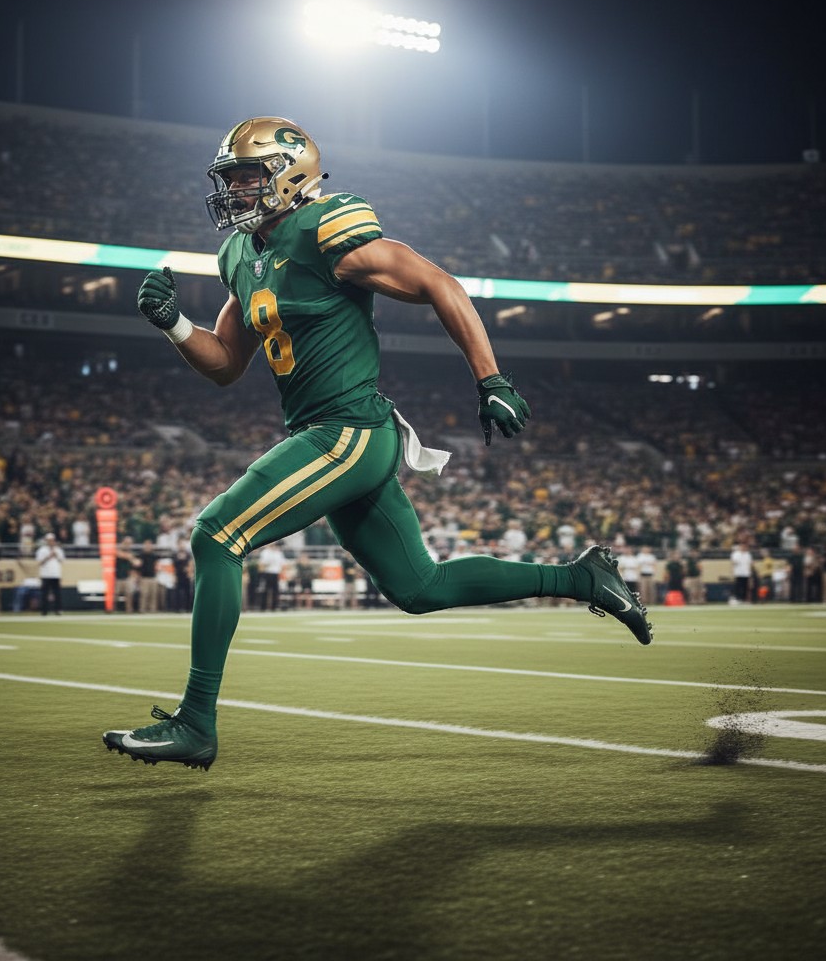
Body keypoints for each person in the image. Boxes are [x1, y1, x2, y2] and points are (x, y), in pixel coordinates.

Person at [103, 116, 651, 771]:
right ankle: (583, 577)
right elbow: (225, 362)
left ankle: (196, 722)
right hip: (329, 435)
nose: (236, 192)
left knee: (216, 534)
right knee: (419, 586)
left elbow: (438, 283)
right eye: (231, 180)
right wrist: (173, 324)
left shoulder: (326, 228)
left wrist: (492, 378)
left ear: (291, 173)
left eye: (249, 177)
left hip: (348, 431)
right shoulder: (238, 258)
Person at [35, 533, 64, 615]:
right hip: (45, 575)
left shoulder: (58, 550)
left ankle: (58, 609)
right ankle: (44, 610)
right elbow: (40, 562)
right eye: (49, 540)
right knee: (44, 593)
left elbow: (62, 560)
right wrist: (48, 557)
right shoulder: (42, 550)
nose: (51, 542)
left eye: (52, 540)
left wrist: (56, 555)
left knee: (57, 593)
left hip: (56, 574)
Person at [730, 539, 753, 604]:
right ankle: (737, 599)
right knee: (738, 587)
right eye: (742, 546)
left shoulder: (748, 554)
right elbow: (733, 563)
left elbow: (750, 564)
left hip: (746, 573)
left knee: (745, 587)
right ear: (740, 546)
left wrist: (750, 573)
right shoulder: (735, 554)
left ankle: (744, 599)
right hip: (738, 573)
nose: (744, 548)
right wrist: (732, 571)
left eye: (745, 546)